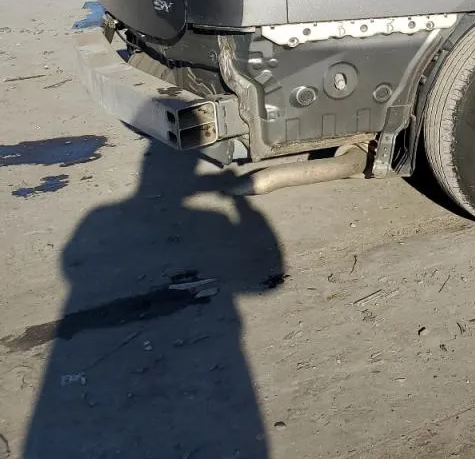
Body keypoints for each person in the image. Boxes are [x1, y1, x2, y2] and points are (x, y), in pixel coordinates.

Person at [21, 143, 284, 459]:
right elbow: (268, 277)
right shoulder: (210, 219)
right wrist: (245, 208)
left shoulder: (100, 216)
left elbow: (70, 264)